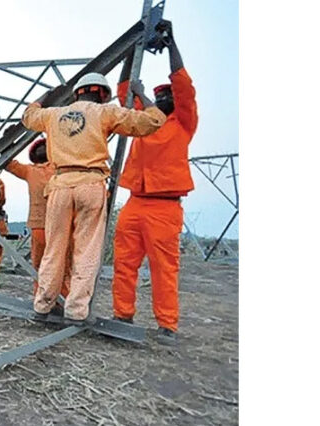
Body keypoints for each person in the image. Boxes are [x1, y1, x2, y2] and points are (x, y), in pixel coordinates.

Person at [21, 71, 165, 325]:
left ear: (77, 93)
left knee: (54, 249)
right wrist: (141, 93)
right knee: (86, 250)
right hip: (90, 183)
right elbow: (153, 121)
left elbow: (28, 116)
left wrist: (46, 96)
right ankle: (76, 312)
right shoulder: (105, 112)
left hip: (60, 185)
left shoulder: (53, 114)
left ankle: (42, 306)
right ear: (102, 94)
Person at [111, 20, 197, 346]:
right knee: (124, 263)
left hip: (165, 207)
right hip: (135, 202)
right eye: (158, 97)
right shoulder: (142, 118)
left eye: (166, 96)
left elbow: (183, 83)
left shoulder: (183, 122)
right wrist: (131, 53)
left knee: (164, 269)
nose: (161, 100)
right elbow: (124, 90)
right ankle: (123, 315)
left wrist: (171, 43)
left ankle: (167, 325)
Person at [4, 137, 55, 295]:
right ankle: (42, 296)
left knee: (58, 263)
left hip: (58, 224)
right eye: (39, 147)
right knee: (41, 263)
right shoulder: (31, 170)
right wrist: (8, 144)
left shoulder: (60, 167)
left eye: (44, 146)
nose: (42, 149)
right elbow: (8, 164)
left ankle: (58, 298)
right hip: (42, 224)